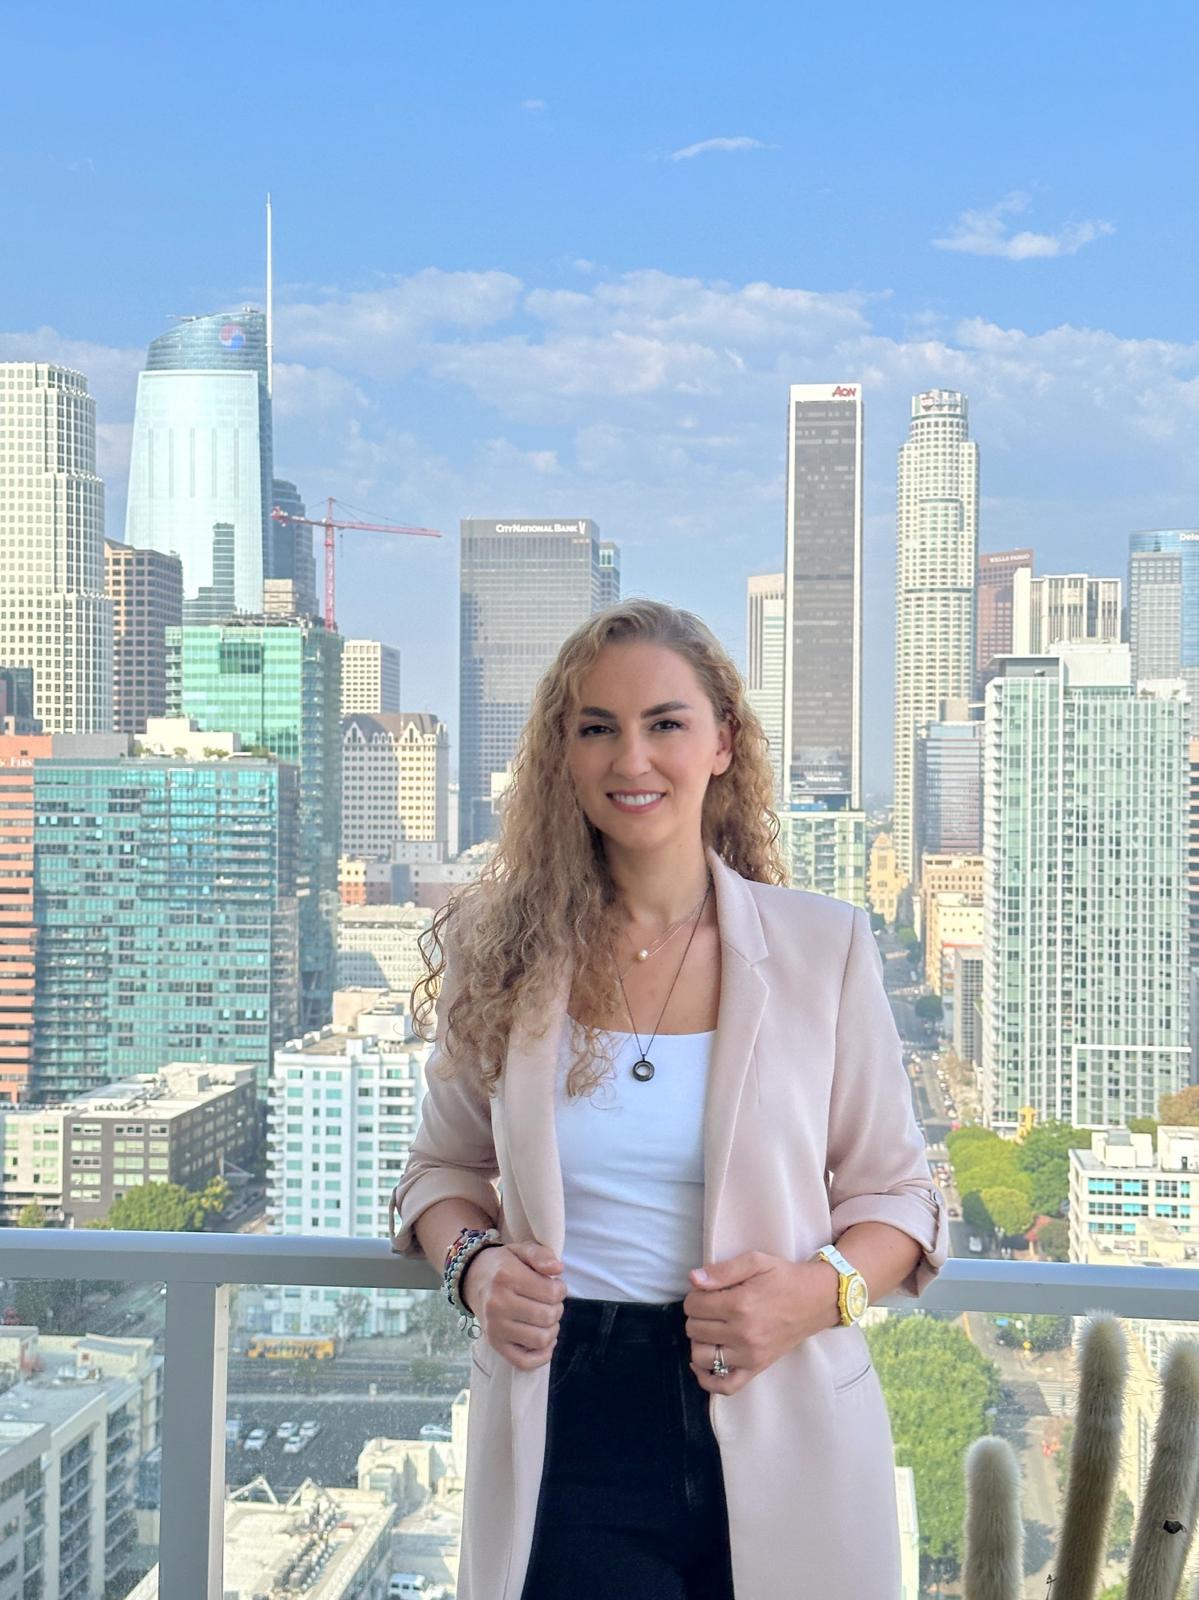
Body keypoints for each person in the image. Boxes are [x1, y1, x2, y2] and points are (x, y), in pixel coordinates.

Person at [390, 599, 948, 1599]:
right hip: (565, 1421)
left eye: (664, 724)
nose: (631, 758)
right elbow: (439, 1173)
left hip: (784, 1404)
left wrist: (812, 1295)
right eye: (596, 728)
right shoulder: (499, 950)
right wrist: (476, 1268)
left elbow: (899, 1196)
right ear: (562, 756)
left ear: (722, 743)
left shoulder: (822, 945)